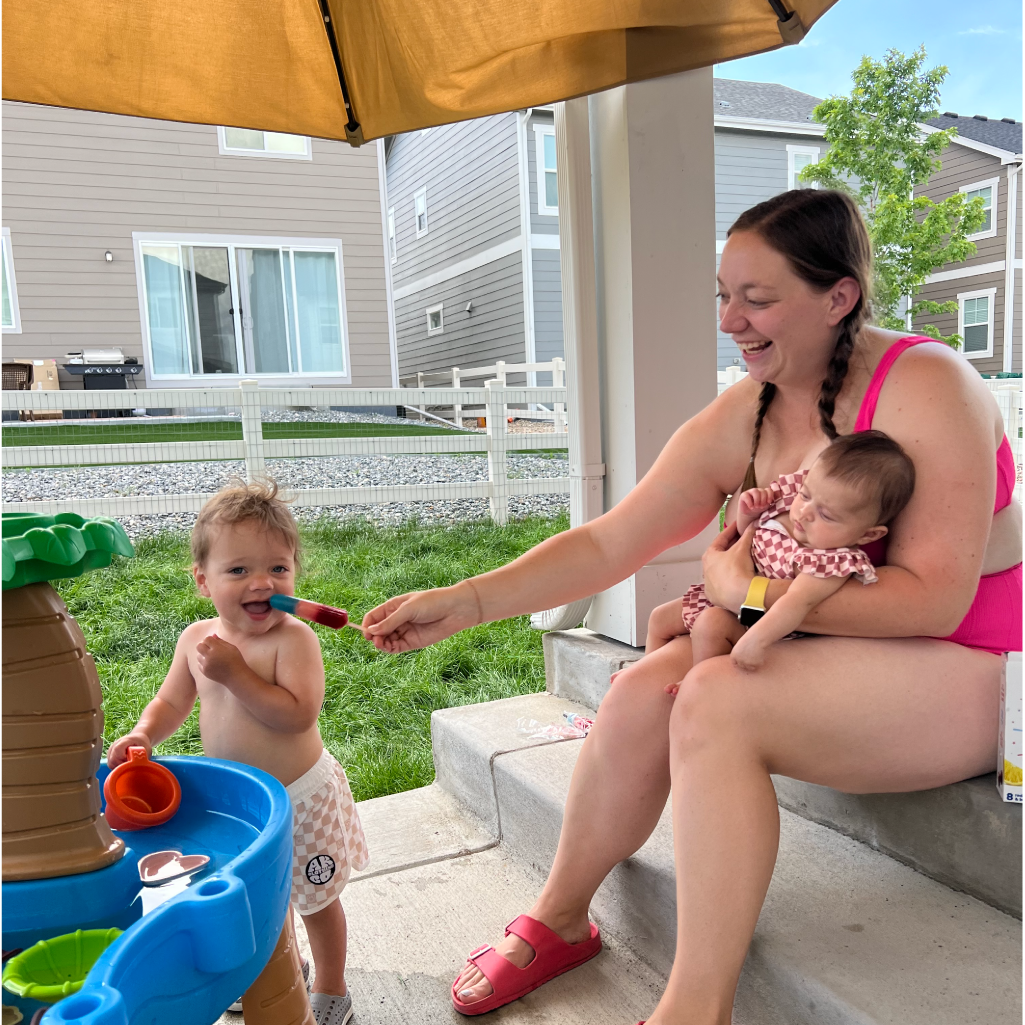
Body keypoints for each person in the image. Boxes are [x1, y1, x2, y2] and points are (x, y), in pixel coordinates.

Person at [361, 188, 1022, 1023]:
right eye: (722, 294)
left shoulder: (927, 383)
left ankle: (694, 1008)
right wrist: (467, 600)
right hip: (829, 647)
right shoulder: (747, 410)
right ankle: (560, 917)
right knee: (641, 692)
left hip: (973, 662)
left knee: (715, 697)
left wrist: (738, 592)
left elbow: (931, 599)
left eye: (756, 298)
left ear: (837, 297)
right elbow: (610, 541)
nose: (729, 320)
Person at [108, 481, 367, 1025]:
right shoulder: (195, 639)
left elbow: (297, 714)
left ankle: (332, 988)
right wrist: (144, 734)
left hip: (301, 800)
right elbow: (170, 700)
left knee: (314, 901)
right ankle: (279, 970)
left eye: (278, 569)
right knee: (262, 897)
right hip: (243, 806)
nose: (262, 583)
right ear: (202, 581)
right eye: (239, 571)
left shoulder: (292, 640)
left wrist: (236, 673)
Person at [647, 430, 915, 671]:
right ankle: (643, 668)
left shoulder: (831, 561)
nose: (805, 512)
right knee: (659, 619)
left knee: (711, 625)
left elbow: (795, 604)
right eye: (807, 495)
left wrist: (756, 641)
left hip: (764, 623)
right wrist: (748, 512)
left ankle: (698, 682)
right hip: (723, 597)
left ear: (868, 534)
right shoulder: (787, 501)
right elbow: (746, 534)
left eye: (827, 515)